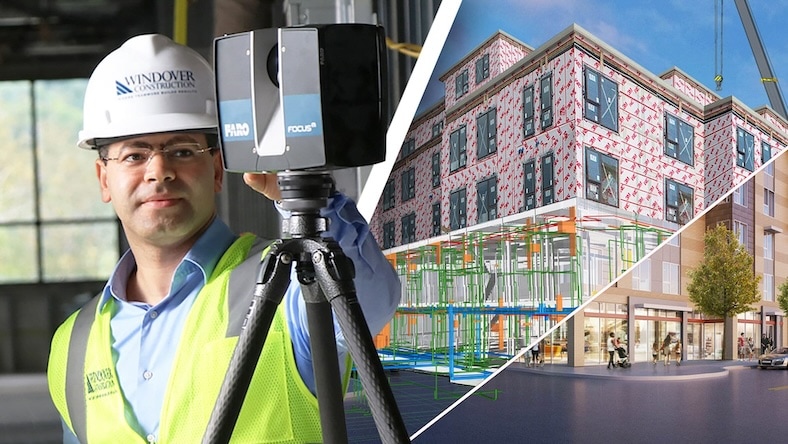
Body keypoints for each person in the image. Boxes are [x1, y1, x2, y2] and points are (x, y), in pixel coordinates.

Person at [45, 34, 401, 444]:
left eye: (181, 150)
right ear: (103, 178)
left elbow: (372, 303)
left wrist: (308, 203)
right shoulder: (72, 346)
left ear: (217, 170)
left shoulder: (290, 283)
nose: (158, 171)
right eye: (134, 155)